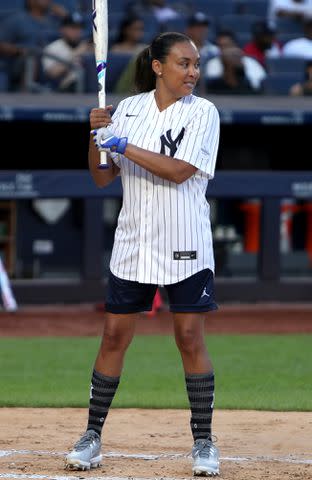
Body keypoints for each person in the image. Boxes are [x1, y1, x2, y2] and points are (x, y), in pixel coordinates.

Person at [65, 31, 221, 477]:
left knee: (189, 339)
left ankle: (204, 442)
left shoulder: (204, 113)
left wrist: (121, 144)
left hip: (185, 240)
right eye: (183, 63)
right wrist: (95, 134)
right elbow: (101, 178)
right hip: (134, 242)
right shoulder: (128, 111)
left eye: (195, 64)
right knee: (114, 337)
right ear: (157, 66)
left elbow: (178, 171)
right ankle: (92, 436)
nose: (192, 71)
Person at [0, 0, 68, 91]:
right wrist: (18, 50)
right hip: (20, 62)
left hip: (51, 64)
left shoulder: (54, 21)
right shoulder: (16, 20)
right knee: (31, 56)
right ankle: (25, 97)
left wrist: (65, 16)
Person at [41, 12, 92, 92]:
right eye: (72, 28)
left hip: (88, 88)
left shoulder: (87, 47)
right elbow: (52, 73)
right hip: (62, 92)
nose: (76, 31)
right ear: (62, 29)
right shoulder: (52, 48)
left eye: (79, 28)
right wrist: (75, 54)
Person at [205, 30, 266, 94]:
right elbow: (212, 87)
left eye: (227, 45)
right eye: (221, 46)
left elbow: (257, 86)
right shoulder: (212, 63)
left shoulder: (251, 62)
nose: (224, 49)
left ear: (235, 45)